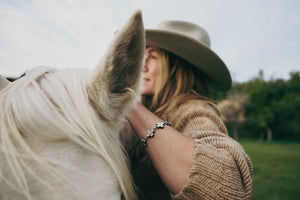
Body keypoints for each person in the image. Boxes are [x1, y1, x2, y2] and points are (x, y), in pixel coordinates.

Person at [125, 20, 253, 200]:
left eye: (153, 57)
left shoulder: (193, 110)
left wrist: (130, 106)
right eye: (142, 55)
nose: (142, 64)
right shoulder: (151, 109)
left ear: (178, 67)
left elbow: (227, 189)